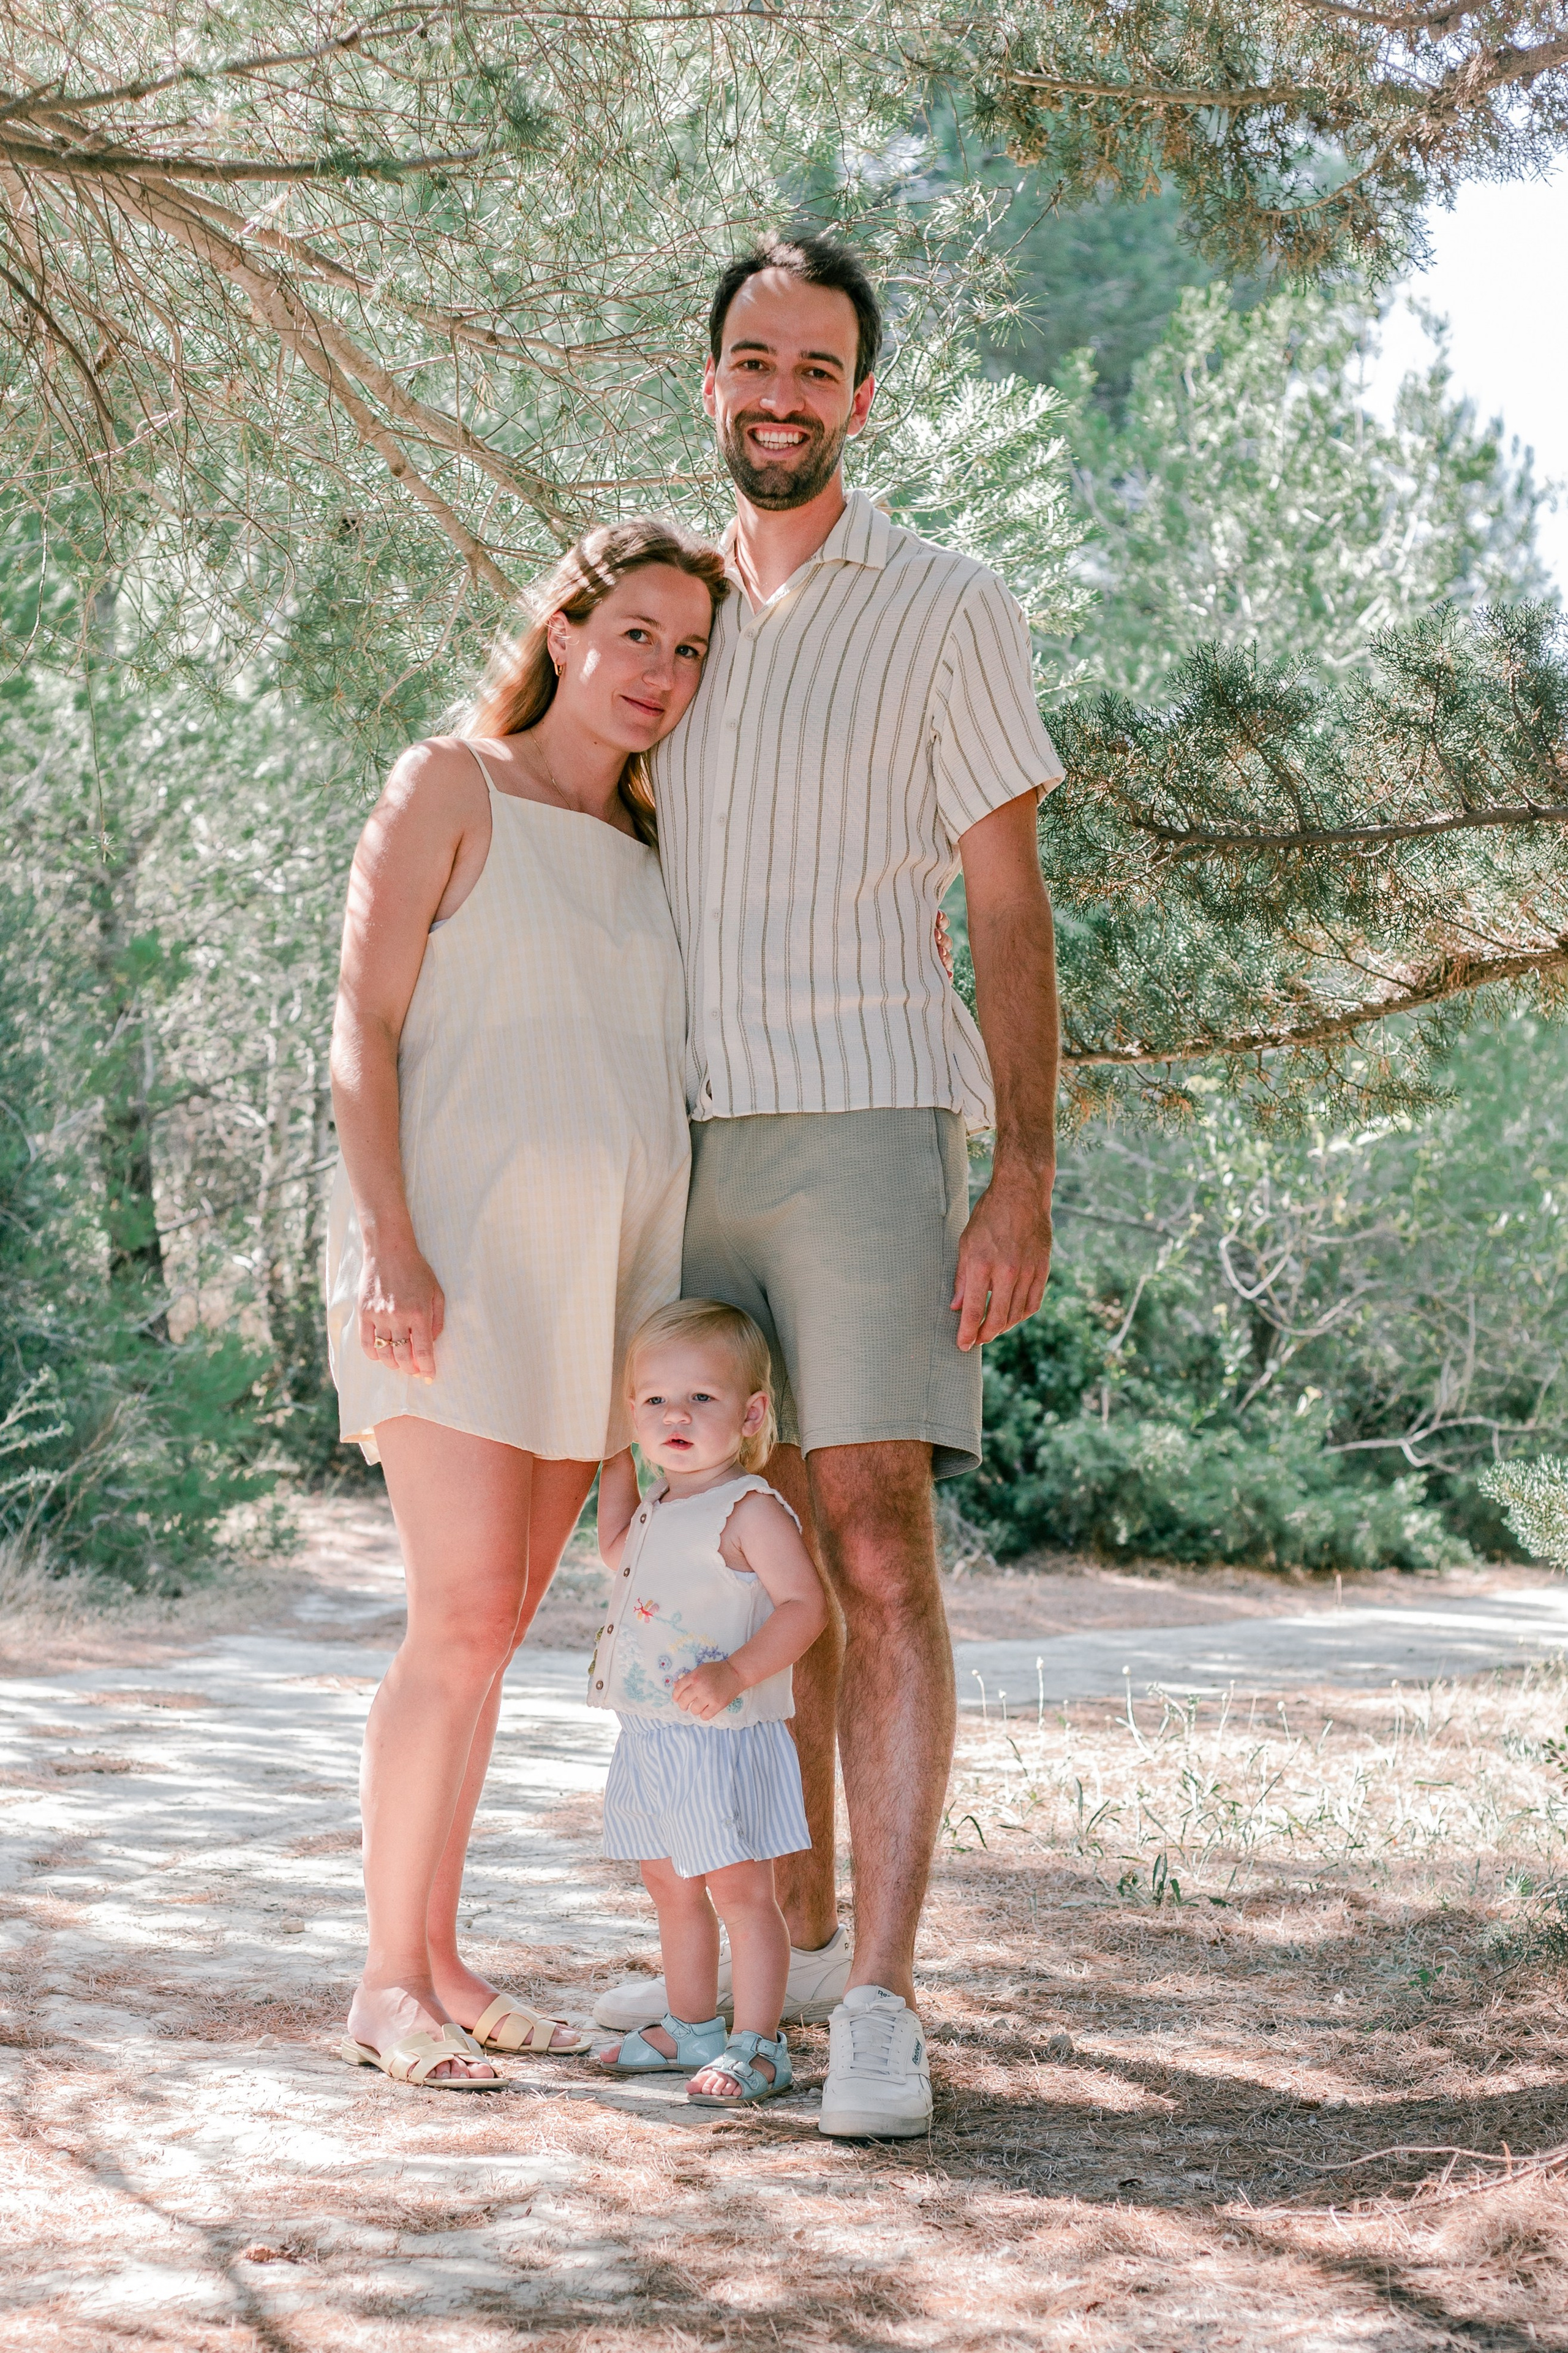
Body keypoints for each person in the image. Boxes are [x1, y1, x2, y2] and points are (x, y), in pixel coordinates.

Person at [592, 236, 1063, 2137]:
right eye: (749, 357)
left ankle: (879, 1998)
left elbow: (1008, 901)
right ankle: (753, 1976)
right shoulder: (668, 623)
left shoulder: (948, 602)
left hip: (872, 1124)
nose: (780, 389)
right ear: (710, 384)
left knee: (873, 1551)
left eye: (818, 363)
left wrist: (1023, 1165)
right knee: (710, 1558)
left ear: (863, 397)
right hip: (681, 1144)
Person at [326, 518, 729, 2088]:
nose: (660, 672)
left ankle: (435, 1954)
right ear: (564, 630)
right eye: (635, 631)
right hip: (451, 1268)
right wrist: (387, 1239)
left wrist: (642, 1381)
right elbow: (361, 1024)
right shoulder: (446, 785)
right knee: (456, 1621)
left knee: (492, 1638)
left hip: (595, 1309)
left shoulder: (647, 855)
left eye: (689, 649)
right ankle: (379, 1980)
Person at [587, 1298, 828, 2104]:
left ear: (752, 1412)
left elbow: (804, 1605)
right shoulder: (660, 1506)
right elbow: (615, 1550)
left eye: (701, 1397)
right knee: (670, 1883)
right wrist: (612, 1456)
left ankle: (760, 2045)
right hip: (654, 1736)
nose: (674, 1414)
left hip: (722, 1736)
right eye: (653, 1399)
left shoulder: (749, 1507)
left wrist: (737, 1670)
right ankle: (691, 2024)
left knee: (740, 1893)